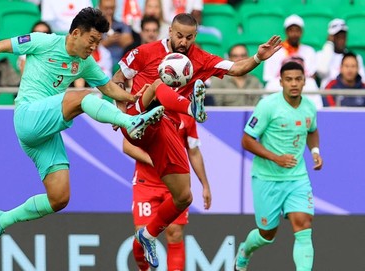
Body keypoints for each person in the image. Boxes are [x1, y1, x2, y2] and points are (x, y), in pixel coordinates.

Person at [0, 7, 165, 255]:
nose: (94, 47)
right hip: (28, 117)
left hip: (45, 134)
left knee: (59, 198)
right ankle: (129, 123)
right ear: (76, 33)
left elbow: (109, 89)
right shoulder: (43, 41)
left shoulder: (85, 63)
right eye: (92, 40)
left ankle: (2, 220)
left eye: (98, 42)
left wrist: (132, 96)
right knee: (80, 97)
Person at [113, 13, 281, 267]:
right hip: (139, 119)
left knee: (184, 197)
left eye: (189, 37)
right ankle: (191, 108)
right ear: (169, 31)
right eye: (179, 35)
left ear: (195, 37)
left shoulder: (200, 58)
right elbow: (118, 78)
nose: (183, 41)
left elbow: (235, 68)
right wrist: (119, 111)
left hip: (166, 128)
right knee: (159, 84)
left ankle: (147, 236)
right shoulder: (145, 52)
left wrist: (257, 57)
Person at [235, 61, 323, 271]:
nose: (294, 83)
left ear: (305, 81)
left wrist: (315, 152)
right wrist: (275, 158)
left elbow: (312, 130)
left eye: (298, 79)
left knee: (303, 224)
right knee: (267, 234)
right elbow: (247, 140)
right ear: (281, 81)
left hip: (297, 177)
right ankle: (245, 251)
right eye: (289, 79)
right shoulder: (268, 106)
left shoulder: (310, 107)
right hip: (267, 178)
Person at [124, 113, 211, 271]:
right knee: (142, 234)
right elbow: (127, 145)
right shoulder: (148, 109)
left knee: (175, 232)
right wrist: (156, 160)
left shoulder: (186, 113)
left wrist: (205, 184)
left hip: (175, 185)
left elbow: (193, 151)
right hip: (146, 183)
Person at [263, 14, 317, 83]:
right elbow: (269, 78)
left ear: (301, 32)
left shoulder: (309, 51)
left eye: (297, 30)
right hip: (279, 85)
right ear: (286, 32)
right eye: (291, 30)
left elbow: (311, 77)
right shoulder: (275, 51)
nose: (294, 34)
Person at [316, 18, 365, 88]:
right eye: (337, 37)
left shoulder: (355, 58)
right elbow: (322, 71)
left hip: (350, 95)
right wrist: (329, 44)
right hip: (328, 96)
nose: (341, 40)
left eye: (343, 36)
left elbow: (362, 81)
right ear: (331, 37)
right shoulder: (321, 55)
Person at [99, 0, 134, 66]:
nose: (109, 11)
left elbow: (129, 44)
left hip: (119, 64)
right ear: (100, 7)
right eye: (106, 8)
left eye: (112, 8)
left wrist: (112, 35)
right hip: (101, 65)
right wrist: (108, 41)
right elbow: (93, 47)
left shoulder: (122, 25)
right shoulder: (95, 26)